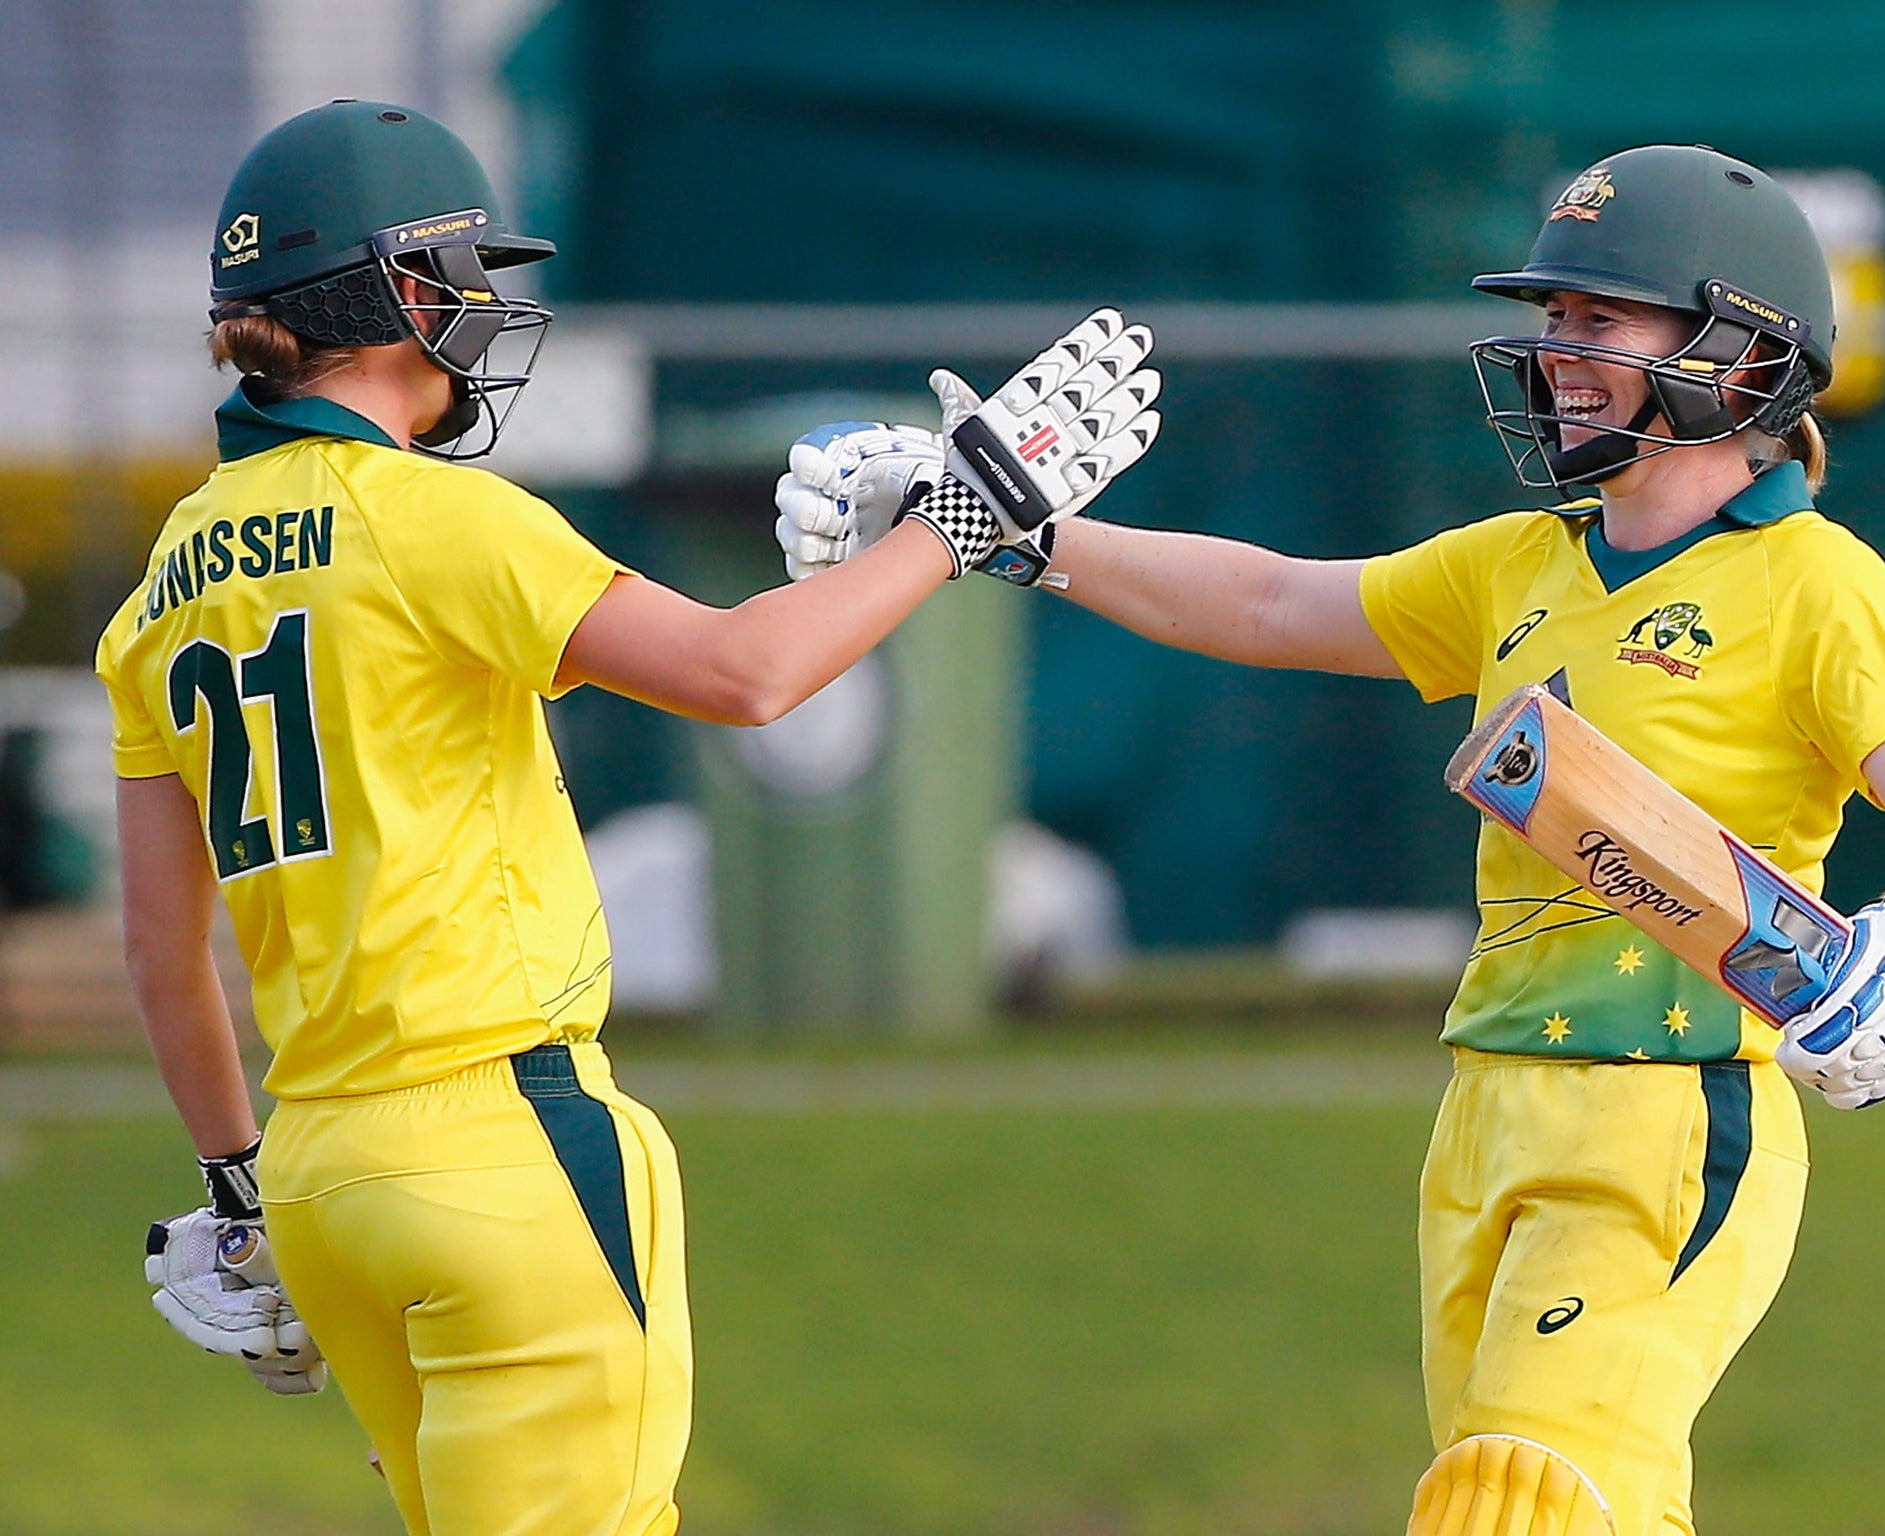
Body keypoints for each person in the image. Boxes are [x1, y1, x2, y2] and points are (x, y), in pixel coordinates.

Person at [777, 145, 1885, 1536]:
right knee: (1582, 1507)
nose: (1561, 354)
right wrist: (1014, 532)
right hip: (1483, 1117)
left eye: (1602, 322)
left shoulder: (1817, 584)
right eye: (1555, 323)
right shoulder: (1521, 565)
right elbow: (1262, 604)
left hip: (1670, 1112)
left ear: (1738, 352)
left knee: (1517, 1504)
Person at [97, 99, 1159, 1536]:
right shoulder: (441, 518)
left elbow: (164, 953)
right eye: (464, 272)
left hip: (317, 1171)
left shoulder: (164, 579)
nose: (484, 302)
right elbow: (745, 673)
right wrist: (959, 522)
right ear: (403, 292)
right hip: (500, 1143)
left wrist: (237, 1190)